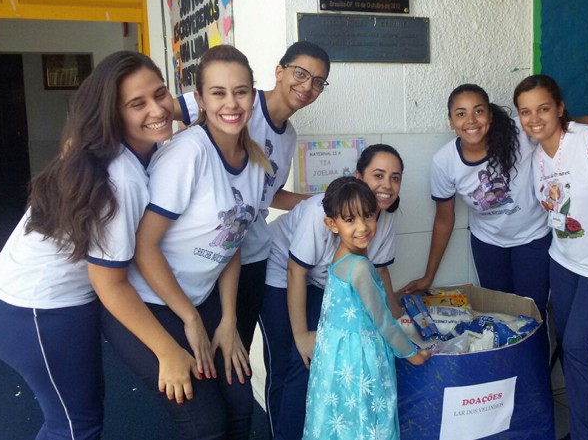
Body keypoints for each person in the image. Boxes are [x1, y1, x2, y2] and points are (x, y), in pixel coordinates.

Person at [0, 50, 175, 440]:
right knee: (74, 426)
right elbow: (112, 283)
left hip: (34, 301)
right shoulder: (120, 177)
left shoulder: (106, 145)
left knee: (80, 416)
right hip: (36, 310)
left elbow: (191, 105)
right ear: (113, 113)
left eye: (161, 94)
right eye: (137, 104)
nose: (157, 109)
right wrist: (167, 350)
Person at [100, 45, 272, 440]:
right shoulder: (188, 153)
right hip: (151, 302)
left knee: (241, 404)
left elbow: (232, 241)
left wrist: (228, 319)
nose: (231, 103)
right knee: (205, 422)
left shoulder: (255, 160)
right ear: (199, 99)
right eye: (218, 92)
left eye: (241, 91)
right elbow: (144, 248)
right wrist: (190, 319)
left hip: (202, 298)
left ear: (253, 96)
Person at [402, 84, 588, 324]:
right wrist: (429, 275)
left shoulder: (519, 131)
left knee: (533, 316)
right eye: (461, 114)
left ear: (490, 115)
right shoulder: (444, 161)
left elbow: (559, 122)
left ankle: (537, 362)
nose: (471, 120)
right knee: (499, 316)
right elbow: (444, 219)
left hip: (533, 239)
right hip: (488, 244)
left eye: (478, 111)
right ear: (451, 121)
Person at [175, 41, 331, 353]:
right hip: (205, 250)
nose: (307, 86)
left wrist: (326, 201)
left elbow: (268, 196)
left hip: (251, 254)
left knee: (236, 351)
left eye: (317, 81)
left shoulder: (288, 137)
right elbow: (160, 110)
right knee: (197, 354)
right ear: (279, 71)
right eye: (300, 73)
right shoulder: (239, 99)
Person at [264, 144, 405, 440]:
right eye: (378, 175)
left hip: (324, 279)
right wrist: (303, 337)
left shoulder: (385, 215)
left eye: (395, 177)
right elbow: (295, 271)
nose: (387, 186)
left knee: (326, 357)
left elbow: (379, 270)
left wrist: (399, 314)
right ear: (358, 176)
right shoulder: (321, 213)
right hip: (281, 270)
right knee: (297, 358)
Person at [514, 74, 588, 440]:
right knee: (564, 341)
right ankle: (582, 428)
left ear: (559, 108)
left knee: (575, 344)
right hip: (564, 260)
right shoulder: (539, 155)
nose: (534, 118)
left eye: (543, 108)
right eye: (526, 112)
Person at [302, 176, 430, 440]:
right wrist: (412, 354)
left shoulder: (340, 257)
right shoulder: (359, 267)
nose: (362, 227)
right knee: (366, 423)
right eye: (350, 220)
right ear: (331, 224)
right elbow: (382, 321)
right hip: (360, 361)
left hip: (336, 358)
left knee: (341, 424)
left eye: (368, 216)